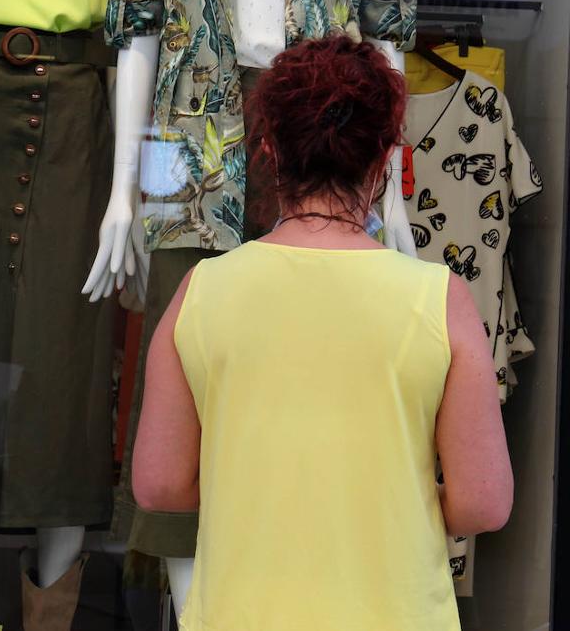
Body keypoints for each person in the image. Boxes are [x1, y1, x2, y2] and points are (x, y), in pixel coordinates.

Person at [131, 36, 513, 631]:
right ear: (384, 159)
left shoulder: (201, 293)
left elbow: (158, 486)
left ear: (268, 151)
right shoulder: (439, 301)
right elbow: (483, 504)